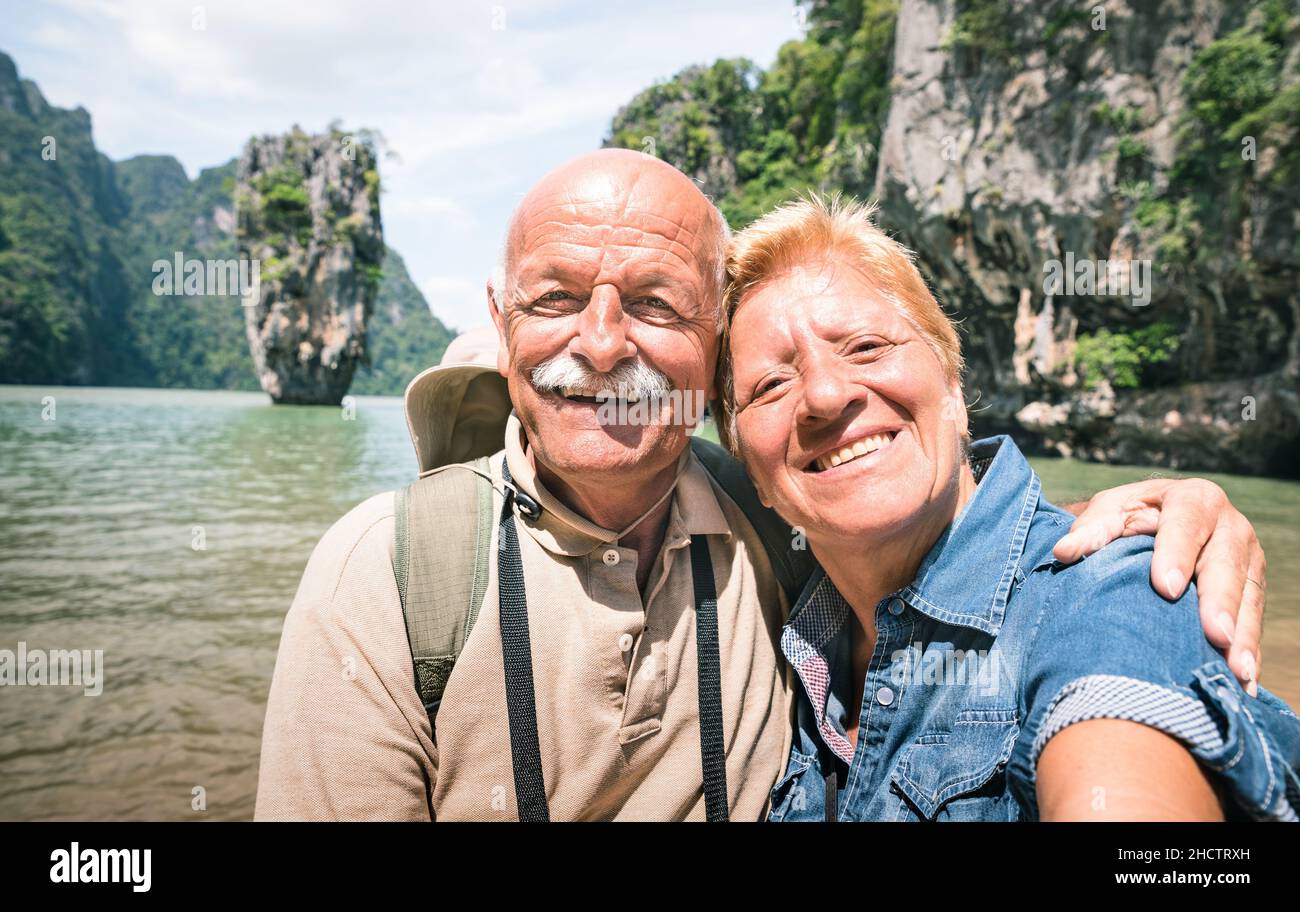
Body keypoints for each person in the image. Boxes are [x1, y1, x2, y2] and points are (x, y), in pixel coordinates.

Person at [255, 150, 1270, 821]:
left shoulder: (1103, 585)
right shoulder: (392, 572)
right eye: (555, 298)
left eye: (654, 304)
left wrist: (1168, 529)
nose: (602, 345)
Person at [720, 194, 1298, 820]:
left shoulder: (1116, 589)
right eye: (771, 385)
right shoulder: (779, 622)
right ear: (751, 472)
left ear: (954, 389)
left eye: (865, 348)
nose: (826, 395)